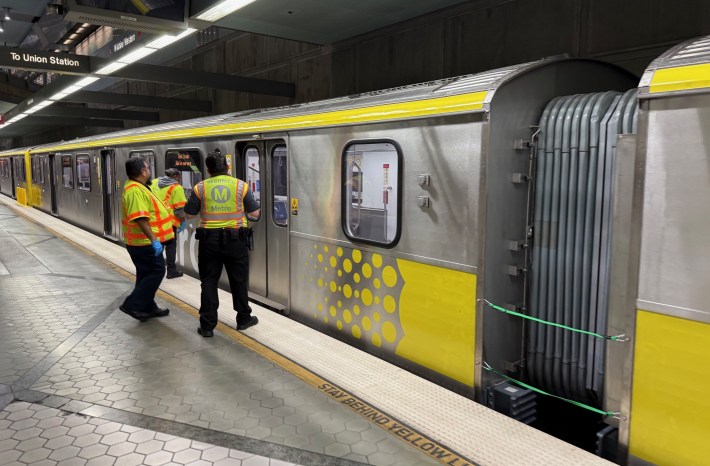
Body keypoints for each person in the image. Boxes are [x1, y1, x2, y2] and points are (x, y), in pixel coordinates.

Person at [184, 149, 261, 337]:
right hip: (236, 240)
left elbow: (189, 214)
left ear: (208, 169)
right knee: (238, 280)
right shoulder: (240, 186)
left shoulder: (200, 188)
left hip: (209, 241)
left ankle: (207, 326)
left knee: (209, 281)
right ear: (227, 167)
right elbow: (255, 213)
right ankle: (243, 319)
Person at [119, 157, 174, 321]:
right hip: (143, 243)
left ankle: (148, 307)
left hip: (141, 243)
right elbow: (140, 218)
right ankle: (133, 304)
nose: (150, 171)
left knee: (145, 274)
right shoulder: (135, 190)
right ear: (143, 171)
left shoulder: (139, 187)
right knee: (157, 271)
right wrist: (154, 240)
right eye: (148, 168)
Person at [150, 168, 187, 278]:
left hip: (155, 220)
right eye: (179, 177)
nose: (179, 180)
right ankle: (171, 271)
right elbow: (179, 209)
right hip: (169, 223)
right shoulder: (176, 187)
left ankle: (156, 270)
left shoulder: (155, 182)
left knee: (158, 246)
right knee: (170, 246)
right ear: (175, 176)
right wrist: (183, 221)